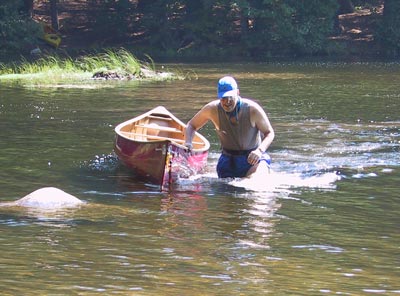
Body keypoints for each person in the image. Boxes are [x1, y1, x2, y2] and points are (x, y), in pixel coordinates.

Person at [185, 76, 275, 178]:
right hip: (228, 160)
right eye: (223, 98)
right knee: (225, 189)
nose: (227, 102)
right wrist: (188, 143)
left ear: (237, 93)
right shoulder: (212, 109)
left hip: (253, 159)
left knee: (253, 185)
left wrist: (259, 151)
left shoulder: (252, 109)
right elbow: (191, 125)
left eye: (230, 97)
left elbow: (269, 133)